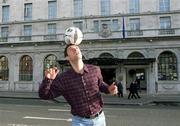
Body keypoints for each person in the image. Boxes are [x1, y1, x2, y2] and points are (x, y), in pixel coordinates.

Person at [38, 44, 118, 126]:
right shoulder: (63, 79)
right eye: (72, 49)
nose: (76, 49)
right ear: (67, 57)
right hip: (79, 122)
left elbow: (101, 85)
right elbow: (44, 95)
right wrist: (48, 80)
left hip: (99, 119)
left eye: (77, 48)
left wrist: (109, 89)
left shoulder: (95, 69)